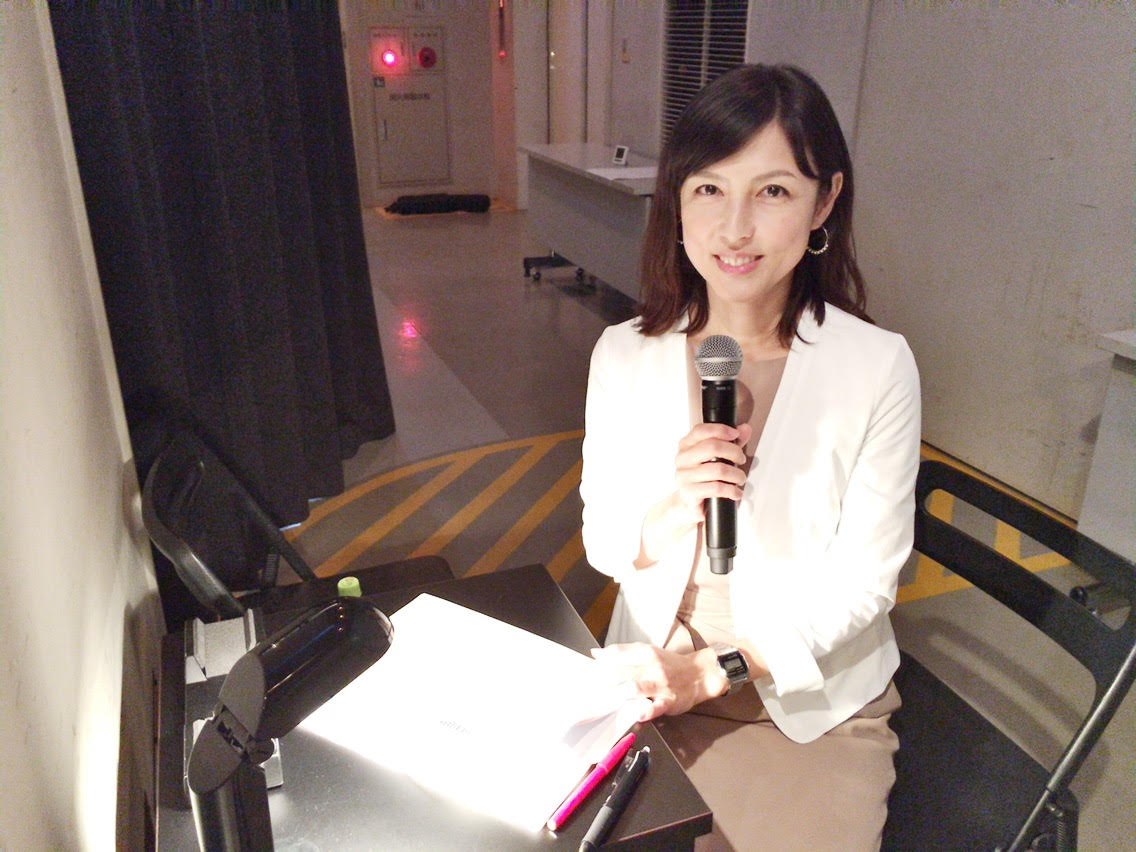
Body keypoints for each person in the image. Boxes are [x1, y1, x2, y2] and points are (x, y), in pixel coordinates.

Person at [579, 64, 921, 850]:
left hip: (809, 702)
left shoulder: (875, 367)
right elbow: (604, 544)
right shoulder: (623, 354)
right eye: (709, 189)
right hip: (652, 680)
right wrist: (673, 510)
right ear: (677, 201)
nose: (735, 229)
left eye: (772, 192)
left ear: (823, 203)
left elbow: (865, 587)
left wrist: (714, 672)